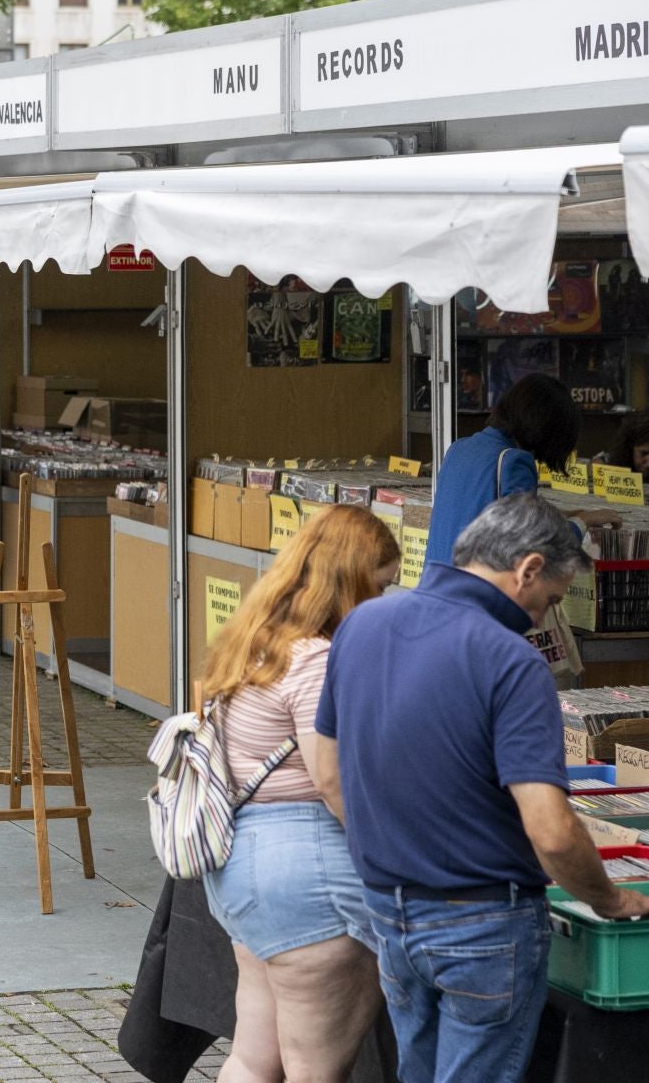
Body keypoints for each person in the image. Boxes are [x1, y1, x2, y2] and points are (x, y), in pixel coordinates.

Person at [318, 494, 647, 1083]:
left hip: (389, 909)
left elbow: (328, 770)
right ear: (527, 569)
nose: (544, 619)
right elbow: (550, 829)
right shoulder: (511, 661)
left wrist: (391, 854)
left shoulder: (364, 623)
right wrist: (609, 899)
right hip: (485, 921)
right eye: (548, 600)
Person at [199, 507, 401, 1083]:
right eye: (380, 585)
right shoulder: (316, 658)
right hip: (308, 876)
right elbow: (331, 780)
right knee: (316, 1070)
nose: (384, 601)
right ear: (351, 581)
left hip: (248, 869)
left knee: (252, 1058)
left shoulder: (255, 641)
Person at [426, 372, 614, 566]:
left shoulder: (458, 448)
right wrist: (582, 521)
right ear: (546, 428)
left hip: (436, 587)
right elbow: (532, 546)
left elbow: (484, 509)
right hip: (476, 593)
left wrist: (565, 514)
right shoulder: (514, 462)